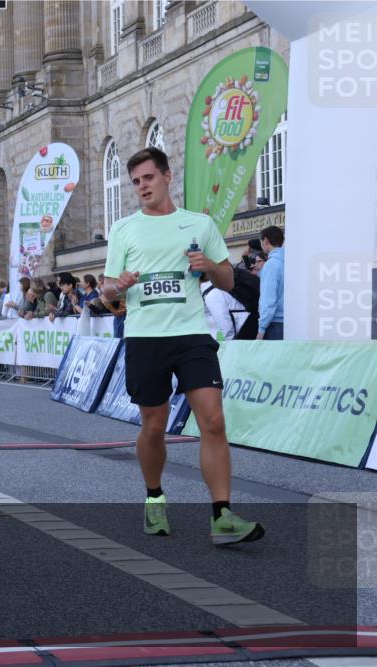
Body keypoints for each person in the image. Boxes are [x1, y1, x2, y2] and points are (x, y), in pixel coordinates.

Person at [103, 147, 263, 546]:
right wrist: (118, 286)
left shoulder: (200, 224)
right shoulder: (124, 229)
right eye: (136, 182)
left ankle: (222, 516)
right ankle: (155, 497)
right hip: (145, 338)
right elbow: (106, 293)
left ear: (167, 176)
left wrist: (208, 265)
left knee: (214, 421)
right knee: (154, 425)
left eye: (148, 178)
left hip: (192, 336)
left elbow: (228, 280)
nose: (142, 186)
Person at [257, 225, 285, 340]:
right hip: (290, 322)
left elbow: (268, 299)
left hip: (274, 323)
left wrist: (261, 329)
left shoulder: (271, 265)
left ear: (266, 240)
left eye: (261, 241)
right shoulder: (290, 261)